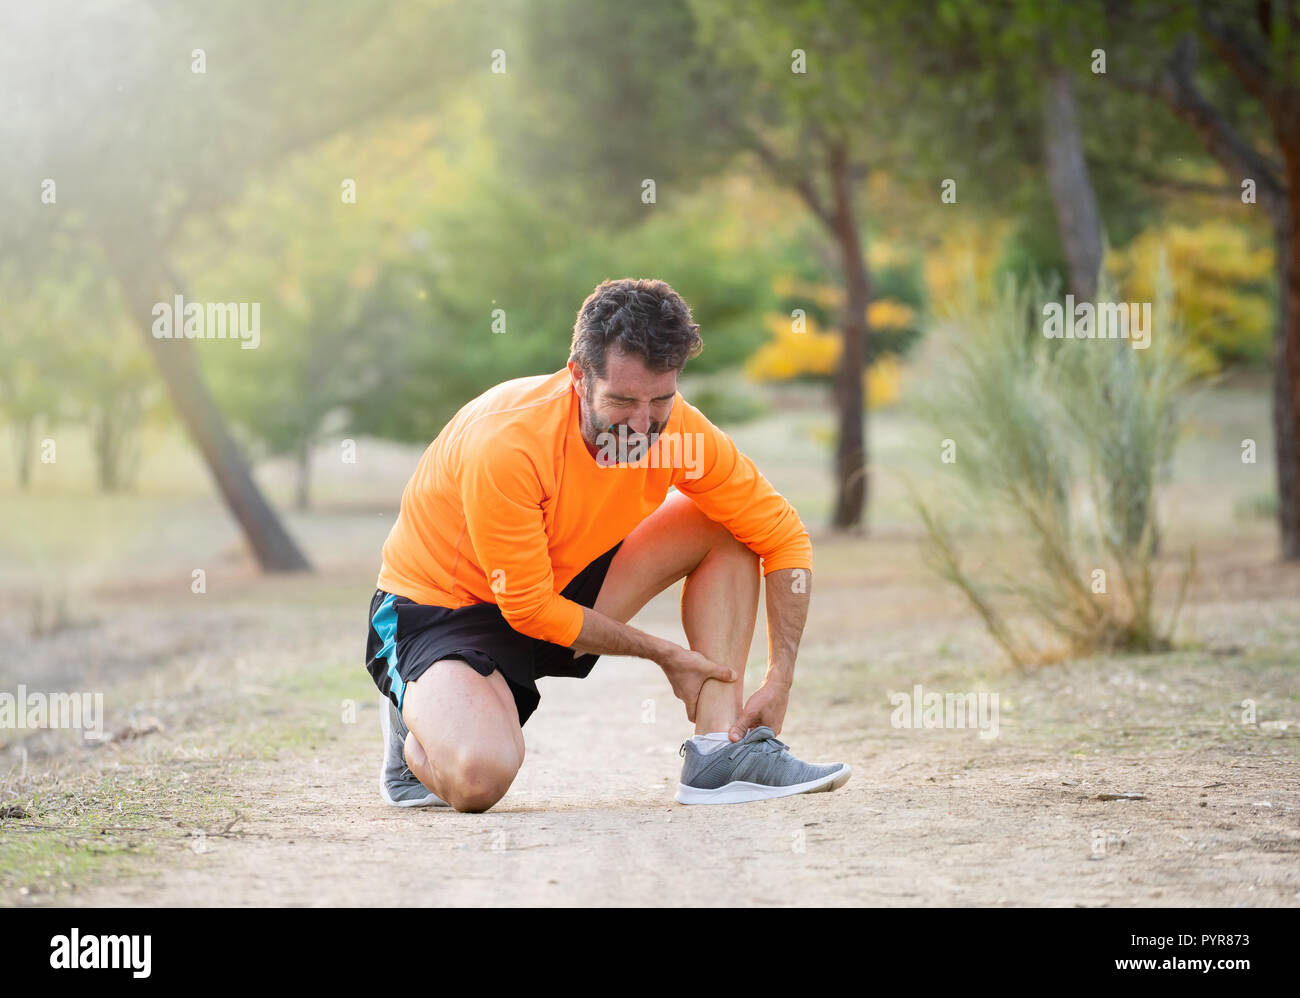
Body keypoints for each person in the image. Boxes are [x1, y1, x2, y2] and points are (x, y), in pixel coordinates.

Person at [365, 278, 850, 811]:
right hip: (443, 612)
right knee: (480, 780)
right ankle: (415, 712)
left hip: (559, 589)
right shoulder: (507, 442)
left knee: (730, 525)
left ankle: (718, 753)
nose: (642, 426)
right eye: (622, 401)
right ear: (578, 376)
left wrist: (780, 678)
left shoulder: (681, 434)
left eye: (660, 400)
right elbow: (526, 607)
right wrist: (665, 654)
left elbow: (783, 537)